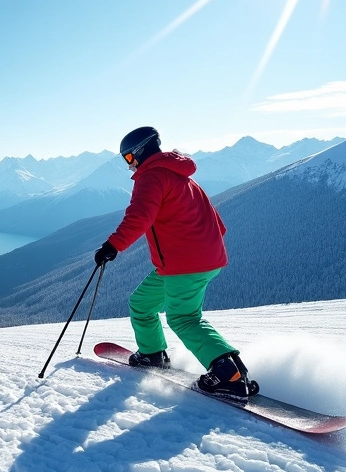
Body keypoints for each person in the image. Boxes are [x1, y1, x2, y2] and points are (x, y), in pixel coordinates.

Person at [94, 126, 258, 399]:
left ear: (140, 152)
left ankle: (228, 374)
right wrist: (203, 250)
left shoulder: (151, 177)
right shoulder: (183, 177)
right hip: (190, 261)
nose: (130, 165)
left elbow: (139, 217)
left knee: (183, 317)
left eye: (129, 158)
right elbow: (217, 222)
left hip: (185, 264)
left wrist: (112, 246)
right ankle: (152, 354)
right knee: (142, 303)